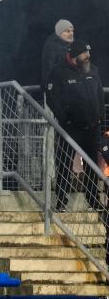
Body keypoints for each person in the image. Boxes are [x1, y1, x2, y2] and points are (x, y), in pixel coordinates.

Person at [48, 39, 105, 212]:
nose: (88, 56)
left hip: (91, 127)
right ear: (75, 54)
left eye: (89, 53)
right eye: (85, 53)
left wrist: (99, 117)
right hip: (70, 128)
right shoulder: (59, 71)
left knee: (92, 165)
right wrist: (64, 118)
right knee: (64, 163)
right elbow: (52, 97)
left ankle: (93, 201)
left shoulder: (92, 69)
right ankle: (61, 201)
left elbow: (100, 94)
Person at [42, 19, 74, 91]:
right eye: (67, 31)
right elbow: (48, 70)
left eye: (72, 31)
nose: (71, 33)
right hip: (57, 89)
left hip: (69, 87)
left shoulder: (70, 46)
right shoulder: (52, 47)